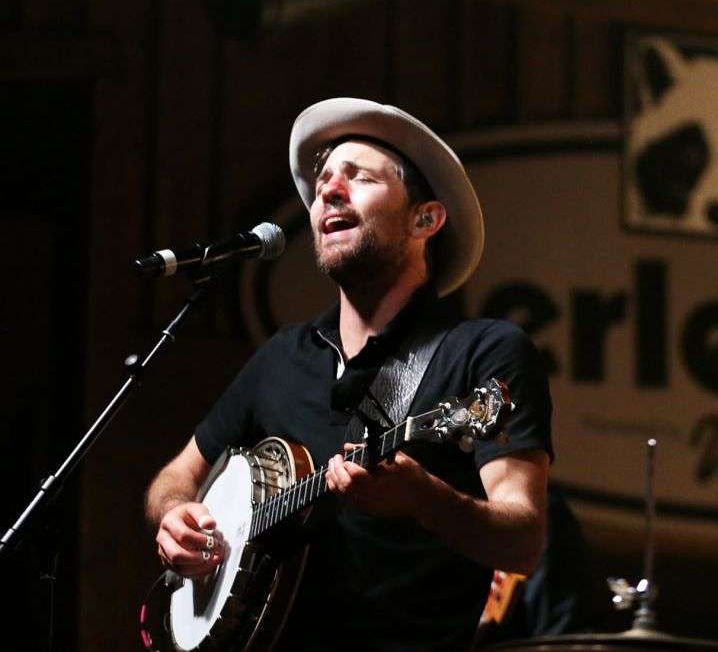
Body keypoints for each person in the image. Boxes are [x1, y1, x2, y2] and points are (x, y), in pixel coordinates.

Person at [144, 98, 554, 650]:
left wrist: (426, 498)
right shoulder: (284, 355)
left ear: (425, 219)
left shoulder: (484, 353)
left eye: (359, 177)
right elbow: (176, 477)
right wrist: (175, 515)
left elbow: (524, 541)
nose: (328, 192)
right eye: (323, 183)